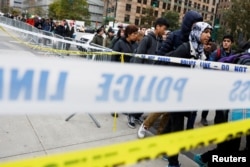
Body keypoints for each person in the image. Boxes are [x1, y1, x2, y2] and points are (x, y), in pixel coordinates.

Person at [164, 21, 212, 167]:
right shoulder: (185, 48)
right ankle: (173, 162)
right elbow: (172, 71)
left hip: (188, 98)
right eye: (205, 32)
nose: (208, 35)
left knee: (172, 124)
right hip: (176, 96)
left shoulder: (201, 52)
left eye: (210, 32)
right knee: (177, 129)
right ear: (197, 32)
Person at [158, 10, 203, 130]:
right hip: (172, 82)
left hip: (187, 85)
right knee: (174, 118)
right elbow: (160, 57)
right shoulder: (174, 36)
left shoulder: (197, 42)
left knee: (173, 118)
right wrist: (178, 54)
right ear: (188, 23)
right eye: (195, 24)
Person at [128, 17, 170, 129]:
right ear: (158, 26)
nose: (165, 31)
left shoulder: (161, 41)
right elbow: (139, 56)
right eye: (164, 28)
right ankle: (131, 116)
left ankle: (137, 115)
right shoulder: (147, 39)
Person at [200, 39, 217, 126]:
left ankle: (204, 117)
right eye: (207, 44)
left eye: (210, 45)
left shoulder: (214, 55)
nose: (208, 46)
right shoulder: (200, 52)